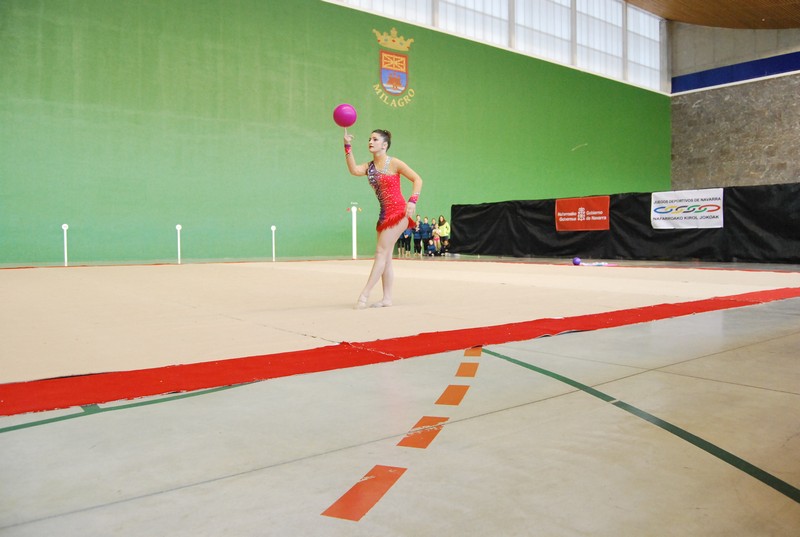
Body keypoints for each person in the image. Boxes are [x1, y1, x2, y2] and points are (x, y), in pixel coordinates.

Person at [344, 128, 422, 308]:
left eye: (375, 139)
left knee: (380, 253)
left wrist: (413, 200)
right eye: (369, 139)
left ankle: (365, 294)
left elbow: (418, 179)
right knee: (385, 257)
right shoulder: (369, 167)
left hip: (399, 213)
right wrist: (347, 146)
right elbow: (354, 170)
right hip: (384, 215)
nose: (370, 142)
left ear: (384, 145)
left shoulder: (394, 163)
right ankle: (387, 298)